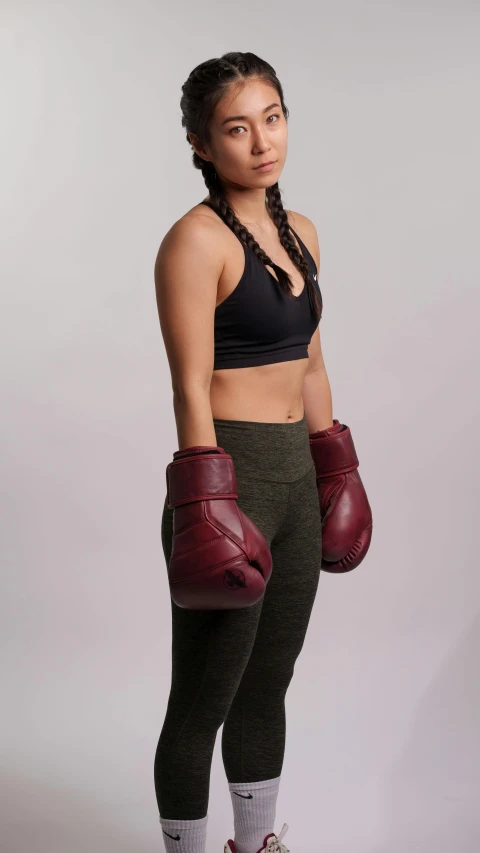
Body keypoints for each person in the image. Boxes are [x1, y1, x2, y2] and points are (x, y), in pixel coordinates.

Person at [153, 51, 372, 853]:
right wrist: (207, 506)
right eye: (236, 129)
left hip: (294, 476)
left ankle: (255, 842)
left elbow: (310, 360)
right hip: (230, 479)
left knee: (267, 684)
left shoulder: (301, 232)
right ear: (202, 144)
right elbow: (190, 383)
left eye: (272, 118)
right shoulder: (193, 242)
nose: (261, 142)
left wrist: (336, 465)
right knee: (202, 696)